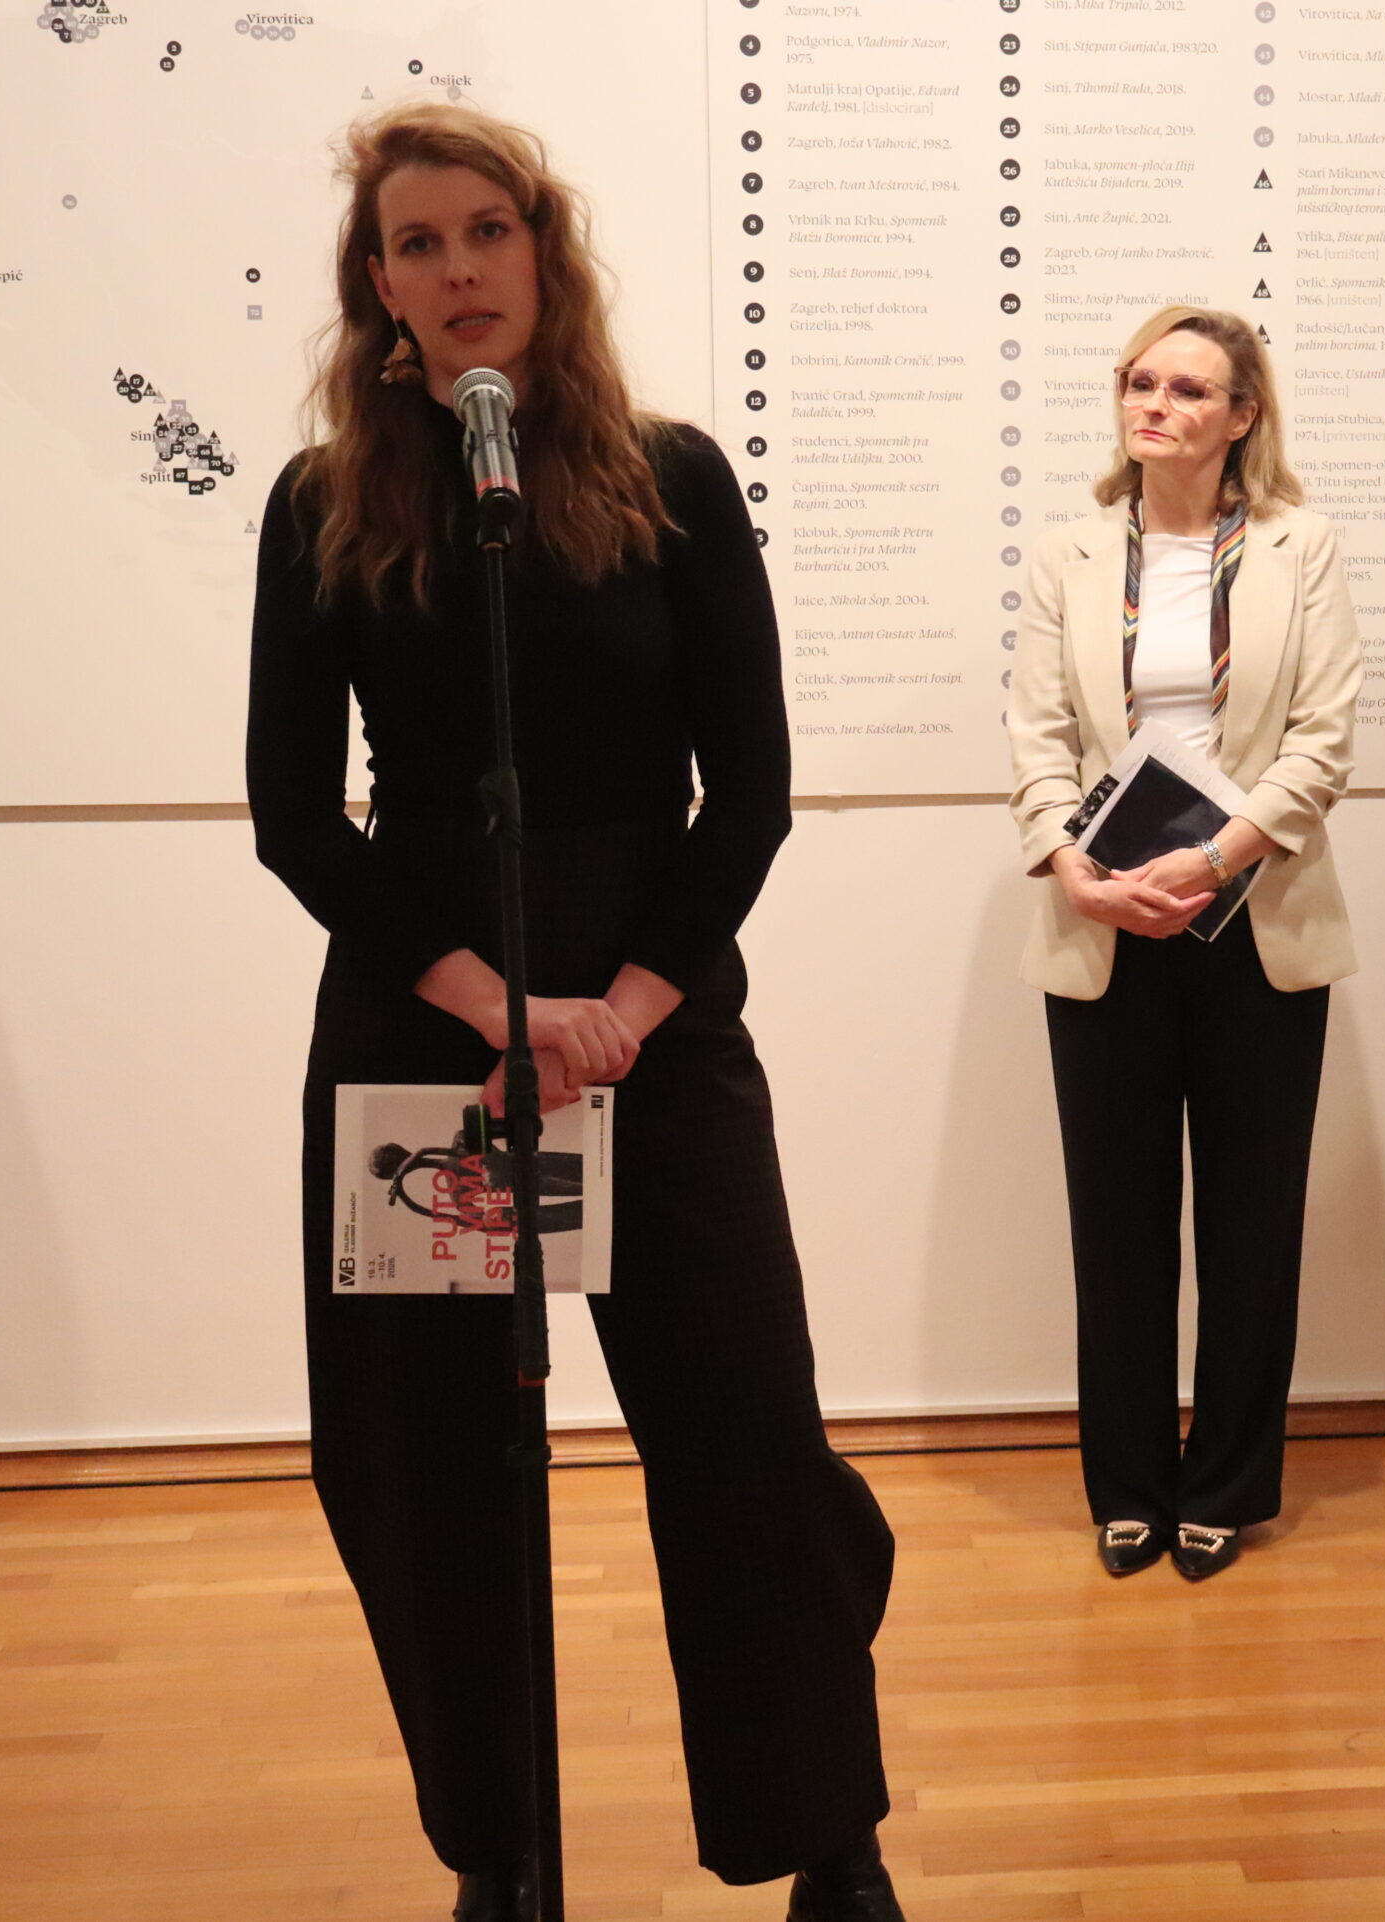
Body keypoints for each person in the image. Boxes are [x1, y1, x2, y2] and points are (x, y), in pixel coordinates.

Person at [245, 104, 906, 1921]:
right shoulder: (323, 505)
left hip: (652, 1023)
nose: (460, 267)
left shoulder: (671, 479)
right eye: (418, 241)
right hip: (424, 1031)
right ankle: (501, 1849)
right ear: (378, 286)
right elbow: (295, 813)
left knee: (748, 1434)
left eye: (489, 229)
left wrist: (618, 1005)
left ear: (544, 251)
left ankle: (828, 1837)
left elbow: (750, 790)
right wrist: (493, 1006)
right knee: (423, 1462)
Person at [1007, 305, 1361, 1582]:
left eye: (1188, 389)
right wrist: (1073, 866)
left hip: (1255, 921)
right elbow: (1038, 735)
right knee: (1117, 1226)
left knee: (1252, 1226)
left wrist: (1216, 858)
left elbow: (1322, 739)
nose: (1154, 405)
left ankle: (1224, 1481)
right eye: (1139, 382)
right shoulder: (1067, 554)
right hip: (1104, 920)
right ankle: (1127, 1484)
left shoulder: (1298, 546)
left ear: (1241, 415)